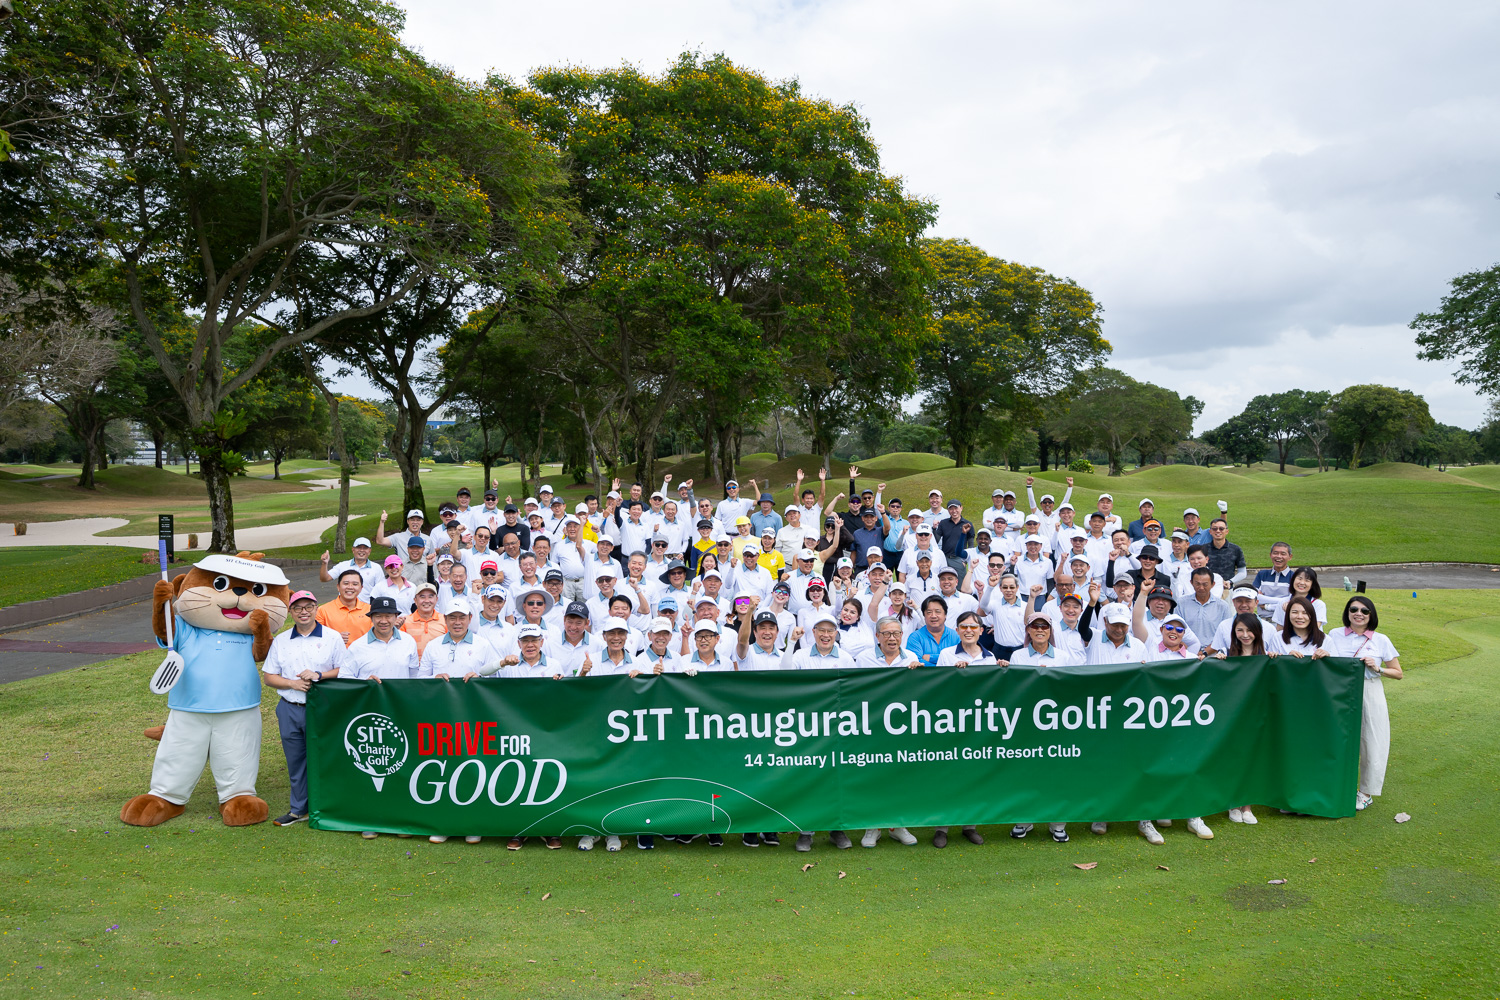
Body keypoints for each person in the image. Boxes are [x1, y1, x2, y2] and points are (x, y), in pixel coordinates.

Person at [261, 591, 344, 827]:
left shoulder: (332, 637)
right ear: (291, 612)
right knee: (296, 760)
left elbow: (344, 670)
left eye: (308, 607)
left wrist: (319, 675)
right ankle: (299, 809)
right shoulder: (281, 640)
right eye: (298, 608)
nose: (303, 612)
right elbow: (269, 677)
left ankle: (329, 806)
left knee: (325, 758)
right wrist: (292, 684)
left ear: (317, 608)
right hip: (290, 708)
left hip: (323, 708)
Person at [1322, 596, 1402, 811]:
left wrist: (1378, 668)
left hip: (1369, 689)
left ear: (1371, 615)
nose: (1359, 614)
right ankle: (1335, 785)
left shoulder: (1381, 640)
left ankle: (1366, 793)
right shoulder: (1334, 635)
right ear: (1347, 612)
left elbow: (1398, 673)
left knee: (1372, 740)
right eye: (1354, 609)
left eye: (1364, 611)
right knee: (1336, 738)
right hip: (1339, 691)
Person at [1005, 613, 1074, 842]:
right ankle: (1025, 819)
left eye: (1045, 626)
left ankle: (1058, 823)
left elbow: (1071, 689)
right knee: (1026, 772)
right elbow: (1013, 688)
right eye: (1035, 626)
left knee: (1057, 773)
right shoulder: (1018, 656)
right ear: (1028, 630)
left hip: (1057, 724)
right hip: (1026, 724)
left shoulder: (1063, 657)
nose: (1040, 630)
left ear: (1050, 630)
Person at [1207, 611, 1275, 827]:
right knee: (1233, 759)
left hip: (1256, 717)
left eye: (1249, 630)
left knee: (1251, 760)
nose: (1245, 635)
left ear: (1257, 632)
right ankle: (1233, 804)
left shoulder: (1267, 657)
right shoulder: (1227, 655)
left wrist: (1276, 659)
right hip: (1232, 718)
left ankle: (1247, 806)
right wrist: (1217, 662)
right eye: (1240, 630)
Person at [317, 569, 371, 645]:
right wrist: (334, 638)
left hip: (362, 651)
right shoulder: (323, 610)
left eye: (355, 584)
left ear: (361, 588)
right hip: (333, 651)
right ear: (338, 587)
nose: (350, 587)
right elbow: (316, 637)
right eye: (346, 583)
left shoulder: (370, 610)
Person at [905, 595, 959, 666]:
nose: (933, 616)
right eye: (929, 612)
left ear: (945, 615)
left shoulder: (956, 636)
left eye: (937, 612)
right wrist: (947, 661)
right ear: (924, 615)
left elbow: (961, 659)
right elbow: (916, 662)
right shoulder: (915, 637)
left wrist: (930, 657)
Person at [401, 583, 447, 662]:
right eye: (422, 597)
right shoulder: (404, 621)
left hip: (439, 666)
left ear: (436, 600)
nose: (426, 601)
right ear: (415, 600)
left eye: (430, 596)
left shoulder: (445, 620)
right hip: (413, 667)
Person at [933, 500, 974, 579]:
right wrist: (934, 529)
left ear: (961, 508)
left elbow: (971, 544)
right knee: (943, 582)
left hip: (959, 560)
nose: (954, 511)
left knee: (960, 583)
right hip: (945, 559)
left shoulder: (967, 524)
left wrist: (965, 561)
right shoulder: (943, 523)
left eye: (956, 508)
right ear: (948, 510)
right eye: (951, 509)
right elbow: (935, 541)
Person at [1253, 542, 1295, 620]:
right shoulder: (1262, 574)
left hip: (1284, 622)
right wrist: (1284, 601)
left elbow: (1292, 604)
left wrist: (1267, 606)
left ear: (1290, 557)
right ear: (1270, 555)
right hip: (1263, 620)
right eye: (1275, 553)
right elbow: (1254, 597)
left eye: (1283, 554)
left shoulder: (1295, 577)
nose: (1279, 556)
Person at [1204, 518, 1247, 585]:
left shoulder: (1235, 549)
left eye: (1221, 529)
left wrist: (1230, 581)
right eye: (1215, 529)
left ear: (1227, 531)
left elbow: (1242, 572)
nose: (1218, 531)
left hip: (1227, 587)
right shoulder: (1203, 549)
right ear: (1210, 531)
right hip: (1207, 587)